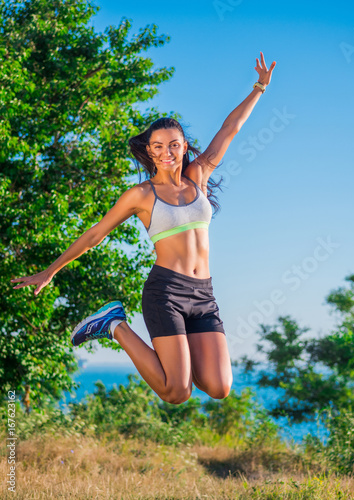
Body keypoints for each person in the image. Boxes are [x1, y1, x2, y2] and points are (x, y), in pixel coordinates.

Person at [11, 52, 276, 405]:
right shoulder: (140, 195)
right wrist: (49, 271)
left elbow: (230, 129)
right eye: (158, 146)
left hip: (204, 295)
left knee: (218, 387)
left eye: (174, 145)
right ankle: (113, 324)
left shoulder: (198, 175)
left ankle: (179, 353)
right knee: (175, 391)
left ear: (183, 147)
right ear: (150, 152)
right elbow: (95, 234)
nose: (167, 152)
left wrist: (259, 87)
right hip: (165, 292)